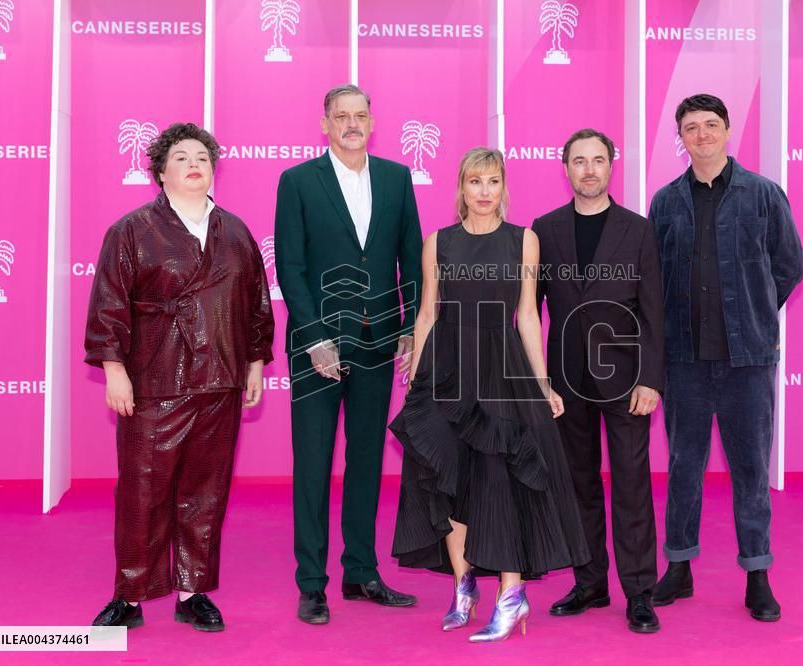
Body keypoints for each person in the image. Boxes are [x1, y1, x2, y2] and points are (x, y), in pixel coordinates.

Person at [389, 147, 591, 643]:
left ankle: (511, 594)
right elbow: (428, 312)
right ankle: (464, 587)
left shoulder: (524, 241)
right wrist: (416, 379)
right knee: (448, 477)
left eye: (493, 181)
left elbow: (529, 315)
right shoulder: (438, 242)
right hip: (447, 367)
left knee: (501, 479)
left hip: (503, 368)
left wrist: (542, 383)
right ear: (461, 187)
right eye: (475, 181)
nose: (484, 192)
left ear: (504, 187)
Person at [86, 122, 274, 632]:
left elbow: (256, 304)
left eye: (203, 158)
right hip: (155, 378)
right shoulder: (131, 230)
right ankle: (130, 594)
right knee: (142, 490)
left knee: (206, 490)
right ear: (160, 171)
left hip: (220, 380)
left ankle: (193, 591)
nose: (194, 165)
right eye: (182, 158)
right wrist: (115, 371)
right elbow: (109, 305)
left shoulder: (236, 232)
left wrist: (254, 362)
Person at [648, 94, 803, 621]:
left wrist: (753, 313)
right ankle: (678, 567)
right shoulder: (665, 202)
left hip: (748, 363)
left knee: (751, 471)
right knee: (683, 469)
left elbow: (789, 264)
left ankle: (757, 575)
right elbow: (655, 279)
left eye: (710, 124)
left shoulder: (763, 194)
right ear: (681, 138)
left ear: (727, 130)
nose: (702, 135)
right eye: (691, 127)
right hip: (684, 361)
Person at [274, 84, 423, 625]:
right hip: (316, 348)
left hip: (377, 344)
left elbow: (413, 259)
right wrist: (315, 339)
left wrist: (409, 327)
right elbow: (290, 267)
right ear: (325, 124)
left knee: (366, 462)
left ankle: (361, 572)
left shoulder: (397, 178)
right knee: (313, 466)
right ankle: (312, 584)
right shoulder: (297, 182)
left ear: (372, 122)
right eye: (342, 116)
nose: (352, 124)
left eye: (360, 115)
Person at [533, 129, 665, 634]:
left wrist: (650, 378)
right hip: (566, 382)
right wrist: (538, 380)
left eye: (597, 160)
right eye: (578, 161)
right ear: (565, 167)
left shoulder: (639, 230)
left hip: (626, 380)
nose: (588, 169)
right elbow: (529, 310)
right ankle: (590, 583)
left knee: (632, 485)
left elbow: (653, 312)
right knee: (578, 484)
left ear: (611, 165)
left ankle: (639, 592)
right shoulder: (544, 230)